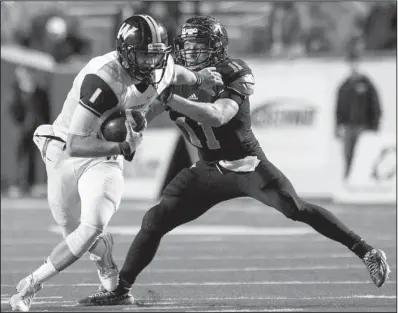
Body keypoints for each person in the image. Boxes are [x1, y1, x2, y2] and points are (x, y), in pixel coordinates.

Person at [78, 16, 390, 306]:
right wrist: (131, 127)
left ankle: (367, 251)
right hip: (207, 170)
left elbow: (218, 116)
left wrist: (171, 98)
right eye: (187, 47)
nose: (191, 53)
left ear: (216, 49)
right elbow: (148, 113)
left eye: (199, 47)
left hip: (246, 164)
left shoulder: (235, 71)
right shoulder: (174, 76)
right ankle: (120, 290)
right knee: (154, 220)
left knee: (294, 208)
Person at [9, 14, 222, 312]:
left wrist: (201, 77)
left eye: (155, 55)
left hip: (106, 159)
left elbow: (176, 73)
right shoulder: (104, 78)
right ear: (125, 52)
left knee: (91, 226)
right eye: (144, 55)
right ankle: (105, 259)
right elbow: (77, 143)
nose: (150, 63)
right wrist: (123, 144)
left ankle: (30, 285)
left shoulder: (161, 66)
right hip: (68, 150)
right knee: (71, 233)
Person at [335, 53, 382, 179]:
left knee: (363, 158)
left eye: (355, 63)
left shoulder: (367, 84)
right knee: (348, 157)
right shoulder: (344, 86)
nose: (353, 66)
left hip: (363, 127)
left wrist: (374, 127)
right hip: (348, 128)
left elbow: (376, 106)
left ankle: (363, 183)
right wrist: (338, 127)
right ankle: (348, 182)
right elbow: (338, 109)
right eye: (351, 63)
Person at [8, 66, 51, 196]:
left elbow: (46, 111)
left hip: (37, 129)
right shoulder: (15, 90)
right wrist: (20, 124)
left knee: (36, 157)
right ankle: (18, 184)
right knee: (20, 156)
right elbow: (12, 109)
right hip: (21, 129)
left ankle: (34, 184)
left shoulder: (41, 91)